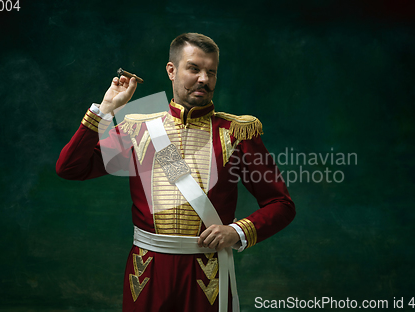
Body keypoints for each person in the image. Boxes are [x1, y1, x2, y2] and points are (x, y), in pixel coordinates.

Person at [56, 33, 295, 312]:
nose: (203, 79)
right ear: (171, 71)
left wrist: (236, 232)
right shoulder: (137, 128)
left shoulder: (237, 132)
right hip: (145, 274)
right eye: (194, 69)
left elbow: (281, 205)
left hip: (207, 276)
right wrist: (106, 111)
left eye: (211, 72)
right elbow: (70, 168)